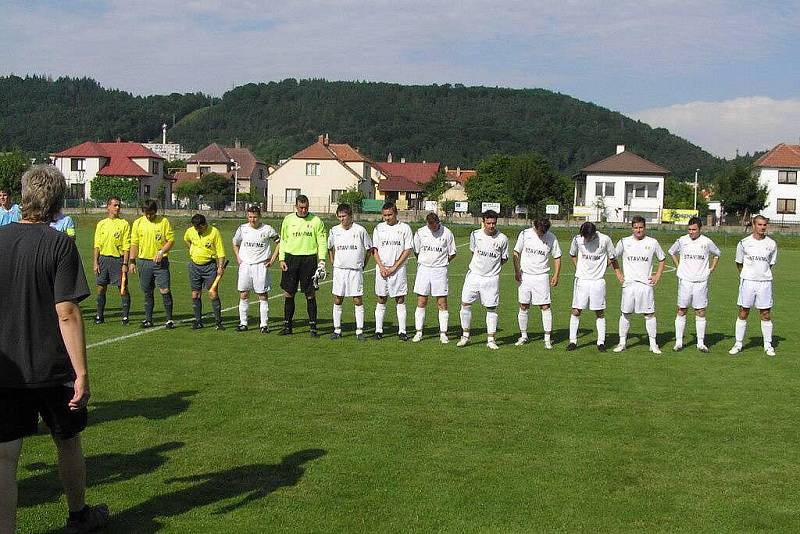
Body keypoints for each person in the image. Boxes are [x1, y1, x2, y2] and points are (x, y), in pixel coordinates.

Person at [0, 165, 108, 534]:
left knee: (5, 455)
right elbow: (67, 312)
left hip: (7, 369)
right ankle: (78, 516)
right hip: (53, 368)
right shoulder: (59, 243)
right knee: (67, 440)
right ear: (58, 200)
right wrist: (82, 375)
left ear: (24, 194)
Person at [613, 216, 666, 354]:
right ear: (632, 228)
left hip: (645, 285)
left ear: (645, 227)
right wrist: (618, 273)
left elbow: (662, 259)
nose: (638, 230)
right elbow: (613, 258)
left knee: (649, 314)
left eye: (641, 227)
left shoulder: (653, 242)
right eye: (636, 227)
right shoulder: (624, 242)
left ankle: (653, 344)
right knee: (625, 314)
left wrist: (657, 275)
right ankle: (622, 343)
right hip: (629, 285)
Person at [457, 210, 509, 349]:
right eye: (488, 223)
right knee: (465, 304)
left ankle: (491, 339)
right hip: (474, 275)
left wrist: (491, 269)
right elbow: (473, 251)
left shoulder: (502, 239)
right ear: (483, 222)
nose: (491, 226)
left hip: (491, 279)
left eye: (493, 223)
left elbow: (504, 258)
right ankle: (465, 336)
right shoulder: (475, 235)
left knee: (491, 308)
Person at [668, 216, 721, 352]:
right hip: (685, 281)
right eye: (689, 229)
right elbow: (672, 252)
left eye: (694, 229)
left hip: (701, 282)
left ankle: (700, 343)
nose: (691, 232)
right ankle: (679, 342)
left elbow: (717, 254)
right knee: (682, 310)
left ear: (700, 229)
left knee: (700, 311)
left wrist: (712, 268)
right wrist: (678, 265)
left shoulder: (707, 242)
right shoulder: (682, 240)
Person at [278, 195, 327, 336]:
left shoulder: (316, 221)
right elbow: (283, 240)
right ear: (296, 206)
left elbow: (322, 241)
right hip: (290, 259)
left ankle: (313, 328)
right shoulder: (288, 220)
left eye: (306, 207)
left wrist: (322, 260)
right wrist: (282, 259)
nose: (304, 210)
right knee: (288, 293)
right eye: (301, 207)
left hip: (309, 260)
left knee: (310, 294)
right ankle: (287, 326)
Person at [729, 215, 778, 356]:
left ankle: (768, 345)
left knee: (766, 313)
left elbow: (770, 264)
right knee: (743, 311)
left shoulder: (772, 244)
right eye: (760, 224)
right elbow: (739, 263)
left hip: (765, 283)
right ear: (753, 225)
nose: (762, 227)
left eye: (764, 225)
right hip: (748, 282)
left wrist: (761, 274)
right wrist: (747, 274)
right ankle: (738, 344)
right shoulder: (744, 243)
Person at [568, 222, 618, 351]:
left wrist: (603, 268)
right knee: (576, 310)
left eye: (588, 237)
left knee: (599, 312)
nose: (586, 239)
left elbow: (612, 257)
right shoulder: (577, 239)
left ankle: (601, 342)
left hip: (598, 282)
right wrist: (578, 267)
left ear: (593, 233)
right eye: (584, 236)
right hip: (582, 281)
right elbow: (572, 254)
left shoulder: (605, 239)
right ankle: (573, 341)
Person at [513, 218, 561, 349]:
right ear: (535, 226)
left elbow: (557, 257)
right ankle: (523, 336)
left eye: (544, 231)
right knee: (523, 306)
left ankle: (547, 338)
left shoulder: (552, 238)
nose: (542, 234)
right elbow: (516, 252)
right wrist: (517, 271)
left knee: (545, 306)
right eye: (540, 231)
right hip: (526, 276)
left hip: (542, 277)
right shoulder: (525, 234)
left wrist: (556, 275)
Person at [328, 203, 373, 340]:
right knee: (337, 299)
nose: (342, 219)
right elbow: (330, 247)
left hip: (355, 271)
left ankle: (359, 331)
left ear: (350, 216)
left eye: (344, 216)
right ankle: (337, 330)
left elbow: (369, 249)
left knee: (357, 299)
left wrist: (363, 265)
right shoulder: (334, 230)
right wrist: (332, 261)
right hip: (340, 271)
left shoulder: (360, 230)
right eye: (339, 216)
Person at [232, 205, 280, 333]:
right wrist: (238, 257)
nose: (252, 220)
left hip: (260, 266)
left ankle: (264, 325)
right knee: (244, 293)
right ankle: (243, 323)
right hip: (245, 266)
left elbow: (280, 242)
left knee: (262, 295)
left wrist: (272, 259)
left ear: (260, 217)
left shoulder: (267, 229)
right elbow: (235, 243)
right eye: (250, 217)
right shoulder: (242, 229)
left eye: (255, 217)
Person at [129, 200, 175, 329]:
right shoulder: (138, 223)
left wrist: (161, 252)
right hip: (144, 262)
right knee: (147, 291)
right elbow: (134, 243)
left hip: (161, 263)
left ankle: (169, 319)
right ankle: (148, 319)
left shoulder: (163, 222)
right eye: (146, 214)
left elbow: (170, 240)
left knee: (165, 290)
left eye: (151, 213)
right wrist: (132, 261)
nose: (149, 216)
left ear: (156, 211)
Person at [412, 212, 457, 343]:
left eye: (434, 225)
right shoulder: (420, 232)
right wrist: (424, 261)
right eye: (430, 225)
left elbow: (452, 252)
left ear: (438, 222)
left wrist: (442, 263)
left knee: (441, 302)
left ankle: (443, 333)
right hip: (424, 270)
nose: (432, 228)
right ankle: (418, 332)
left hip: (440, 271)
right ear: (427, 223)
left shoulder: (447, 233)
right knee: (421, 301)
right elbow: (416, 251)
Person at [372, 202, 414, 340]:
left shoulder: (405, 228)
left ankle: (402, 331)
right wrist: (382, 267)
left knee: (400, 298)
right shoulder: (378, 228)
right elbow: (375, 250)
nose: (387, 217)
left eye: (390, 214)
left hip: (398, 269)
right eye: (385, 215)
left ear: (396, 213)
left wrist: (395, 267)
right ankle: (378, 330)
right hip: (382, 269)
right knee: (381, 298)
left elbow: (408, 250)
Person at [92, 196, 132, 325]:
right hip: (103, 260)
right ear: (108, 206)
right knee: (101, 288)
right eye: (115, 205)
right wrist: (95, 262)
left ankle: (125, 317)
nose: (117, 208)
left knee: (123, 288)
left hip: (118, 260)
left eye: (119, 205)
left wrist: (125, 263)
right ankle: (99, 316)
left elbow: (127, 246)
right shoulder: (101, 224)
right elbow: (97, 245)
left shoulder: (124, 224)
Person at [184, 214, 227, 330]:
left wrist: (220, 267)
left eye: (199, 228)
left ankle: (218, 322)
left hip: (210, 267)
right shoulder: (190, 231)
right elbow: (186, 240)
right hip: (194, 267)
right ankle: (198, 321)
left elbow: (220, 251)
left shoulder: (214, 232)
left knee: (213, 293)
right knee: (195, 294)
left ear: (204, 225)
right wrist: (193, 250)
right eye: (195, 228)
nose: (197, 230)